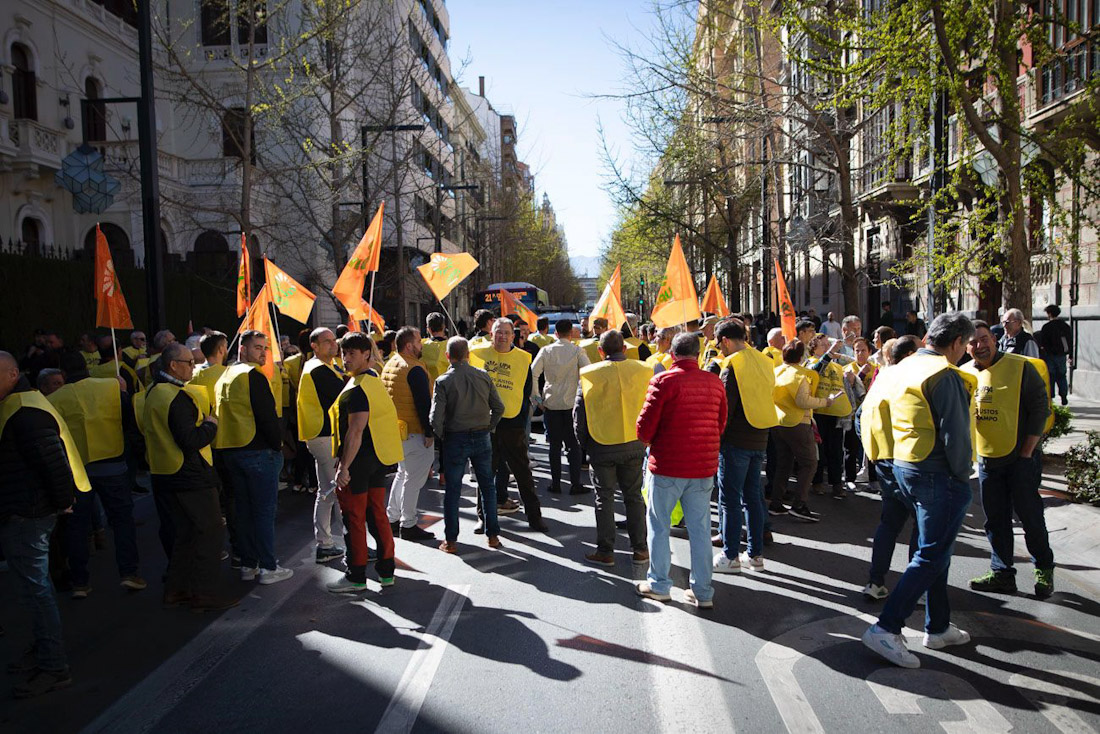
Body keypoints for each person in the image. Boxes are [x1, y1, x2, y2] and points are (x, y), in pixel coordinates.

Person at [862, 313, 977, 669]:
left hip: (904, 465)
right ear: (957, 343)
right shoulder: (944, 374)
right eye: (964, 346)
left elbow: (873, 413)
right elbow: (956, 436)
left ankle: (938, 626)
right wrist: (962, 476)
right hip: (936, 471)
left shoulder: (898, 369)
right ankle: (887, 626)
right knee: (931, 554)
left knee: (934, 552)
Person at [0, 350, 87, 698]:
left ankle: (53, 664)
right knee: (34, 589)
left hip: (29, 513)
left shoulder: (25, 411)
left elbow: (53, 460)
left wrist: (63, 501)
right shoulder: (21, 404)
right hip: (26, 509)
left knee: (36, 591)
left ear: (11, 374)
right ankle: (43, 652)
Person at [964, 321, 1055, 598]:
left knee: (1030, 517)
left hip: (1020, 459)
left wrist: (1027, 451)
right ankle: (1002, 573)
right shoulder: (965, 374)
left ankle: (1044, 569)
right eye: (973, 343)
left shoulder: (1020, 367)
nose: (979, 346)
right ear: (966, 347)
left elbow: (1041, 409)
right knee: (995, 520)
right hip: (988, 461)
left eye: (983, 339)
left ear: (995, 338)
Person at [635, 333, 727, 609]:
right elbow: (721, 422)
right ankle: (703, 591)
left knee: (659, 525)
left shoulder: (663, 381)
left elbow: (644, 429)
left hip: (668, 466)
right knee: (700, 530)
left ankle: (659, 584)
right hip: (702, 466)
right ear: (697, 354)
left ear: (672, 355)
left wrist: (652, 441)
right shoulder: (714, 382)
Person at [144, 343, 234, 611]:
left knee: (186, 533)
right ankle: (203, 595)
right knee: (210, 532)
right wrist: (210, 425)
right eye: (189, 363)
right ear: (173, 365)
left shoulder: (155, 392)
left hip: (167, 473)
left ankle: (177, 589)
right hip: (189, 475)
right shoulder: (175, 396)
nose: (193, 367)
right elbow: (190, 439)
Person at [48, 352, 145, 598]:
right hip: (113, 462)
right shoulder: (111, 387)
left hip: (78, 468)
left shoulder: (54, 398)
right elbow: (128, 417)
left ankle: (80, 581)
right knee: (122, 520)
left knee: (77, 526)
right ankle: (129, 573)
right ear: (87, 368)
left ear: (63, 373)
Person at [214, 331, 292, 585]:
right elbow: (267, 416)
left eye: (265, 348)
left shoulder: (225, 375)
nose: (262, 352)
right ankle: (268, 567)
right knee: (263, 513)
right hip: (258, 451)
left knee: (243, 512)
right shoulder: (253, 376)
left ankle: (249, 564)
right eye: (257, 347)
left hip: (231, 450)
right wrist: (277, 445)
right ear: (242, 350)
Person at [327, 332, 402, 592]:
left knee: (354, 518)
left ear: (366, 354)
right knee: (376, 515)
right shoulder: (373, 381)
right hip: (377, 459)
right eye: (343, 353)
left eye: (351, 354)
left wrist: (343, 467)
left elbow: (355, 431)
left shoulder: (359, 388)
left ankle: (356, 575)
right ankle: (386, 571)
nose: (345, 358)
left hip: (359, 463)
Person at [574, 330, 651, 567]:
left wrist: (585, 446)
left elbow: (579, 415)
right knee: (634, 497)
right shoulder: (644, 370)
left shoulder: (588, 375)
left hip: (601, 445)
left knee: (604, 498)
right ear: (625, 349)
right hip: (634, 442)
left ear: (600, 351)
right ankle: (640, 549)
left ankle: (606, 551)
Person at [712, 319, 778, 573]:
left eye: (720, 345)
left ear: (726, 340)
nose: (720, 350)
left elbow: (724, 409)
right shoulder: (764, 360)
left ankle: (730, 556)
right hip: (760, 434)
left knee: (729, 499)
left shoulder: (732, 365)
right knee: (753, 498)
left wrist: (716, 437)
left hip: (735, 440)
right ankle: (756, 555)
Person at [430, 337, 506, 552]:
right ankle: (493, 536)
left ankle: (451, 540)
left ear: (448, 356)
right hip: (482, 436)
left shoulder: (444, 381)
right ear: (468, 355)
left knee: (453, 490)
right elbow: (499, 407)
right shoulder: (483, 376)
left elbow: (435, 418)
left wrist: (443, 435)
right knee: (487, 487)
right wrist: (489, 427)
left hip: (455, 437)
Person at [859, 336, 920, 601]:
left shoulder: (882, 377)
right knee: (922, 527)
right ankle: (918, 587)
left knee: (890, 524)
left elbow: (863, 416)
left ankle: (876, 581)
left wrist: (875, 455)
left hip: (886, 461)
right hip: (910, 462)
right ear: (909, 355)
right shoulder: (912, 378)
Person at [470, 319, 544, 530]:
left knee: (523, 473)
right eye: (498, 332)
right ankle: (482, 517)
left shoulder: (523, 359)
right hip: (485, 424)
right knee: (485, 473)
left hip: (512, 424)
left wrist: (521, 418)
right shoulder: (477, 354)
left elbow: (526, 390)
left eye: (506, 333)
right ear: (491, 334)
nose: (501, 336)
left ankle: (535, 516)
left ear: (514, 336)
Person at [297, 328, 347, 563]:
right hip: (324, 435)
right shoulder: (317, 369)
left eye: (333, 341)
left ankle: (326, 543)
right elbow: (343, 395)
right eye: (326, 342)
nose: (332, 344)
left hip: (323, 435)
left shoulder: (328, 366)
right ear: (314, 346)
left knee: (327, 491)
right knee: (337, 491)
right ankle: (349, 544)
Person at [381, 326, 437, 542]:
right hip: (414, 432)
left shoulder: (391, 363)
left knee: (403, 474)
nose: (421, 344)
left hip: (399, 430)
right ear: (409, 345)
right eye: (418, 341)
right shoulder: (413, 368)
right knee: (413, 479)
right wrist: (429, 431)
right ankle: (408, 523)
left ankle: (393, 518)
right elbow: (424, 403)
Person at [770, 340, 834, 521]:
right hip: (798, 423)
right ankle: (799, 504)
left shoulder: (777, 371)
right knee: (809, 463)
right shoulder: (801, 375)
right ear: (801, 356)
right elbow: (803, 402)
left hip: (778, 421)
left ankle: (776, 502)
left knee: (784, 463)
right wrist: (825, 402)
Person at [531, 319, 590, 494]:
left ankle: (555, 483)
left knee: (554, 446)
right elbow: (588, 372)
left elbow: (533, 373)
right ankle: (575, 483)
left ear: (555, 333)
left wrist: (537, 399)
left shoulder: (546, 350)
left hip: (551, 404)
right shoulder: (578, 351)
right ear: (571, 333)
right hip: (571, 404)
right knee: (573, 446)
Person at [807, 335, 858, 501]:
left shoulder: (837, 366)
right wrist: (828, 355)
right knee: (819, 449)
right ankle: (817, 481)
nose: (829, 348)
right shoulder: (809, 362)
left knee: (836, 449)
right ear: (814, 348)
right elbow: (815, 371)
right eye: (823, 345)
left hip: (836, 411)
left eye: (829, 345)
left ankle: (837, 483)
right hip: (819, 411)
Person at [1039, 304, 1072, 406]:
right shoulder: (1065, 326)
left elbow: (1042, 342)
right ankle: (1063, 396)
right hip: (1061, 355)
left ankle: (1051, 396)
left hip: (1049, 355)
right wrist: (1071, 355)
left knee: (1051, 377)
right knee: (1062, 376)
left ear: (1049, 314)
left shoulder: (1046, 327)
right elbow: (1070, 341)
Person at [420, 312, 451, 381]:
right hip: (447, 386)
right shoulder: (451, 345)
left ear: (428, 329)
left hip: (428, 387)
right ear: (443, 327)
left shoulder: (421, 345)